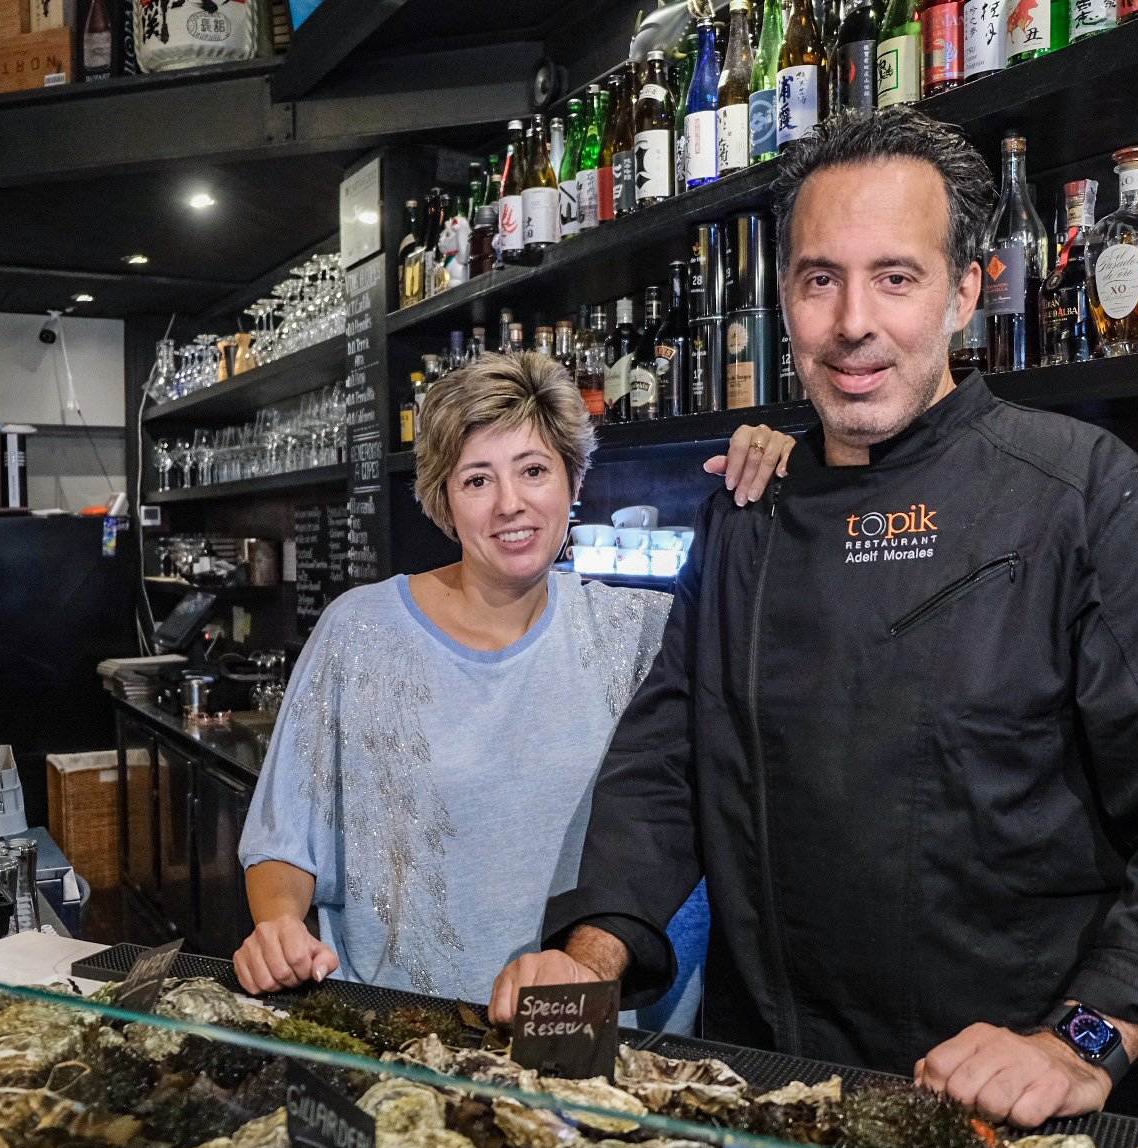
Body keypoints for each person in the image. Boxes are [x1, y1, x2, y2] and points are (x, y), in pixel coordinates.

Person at [491, 108, 1138, 1129]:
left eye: (896, 277)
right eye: (820, 278)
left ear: (965, 292)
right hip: (781, 1098)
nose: (852, 321)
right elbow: (668, 766)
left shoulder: (1077, 494)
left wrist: (1081, 1040)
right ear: (785, 299)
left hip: (1015, 1113)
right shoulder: (748, 516)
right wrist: (591, 952)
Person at [233, 351, 795, 1006]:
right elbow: (284, 836)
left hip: (611, 1047)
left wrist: (789, 472)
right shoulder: (360, 633)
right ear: (443, 498)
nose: (510, 504)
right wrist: (277, 926)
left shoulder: (646, 633)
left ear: (572, 480)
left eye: (533, 471)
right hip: (410, 1034)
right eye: (477, 480)